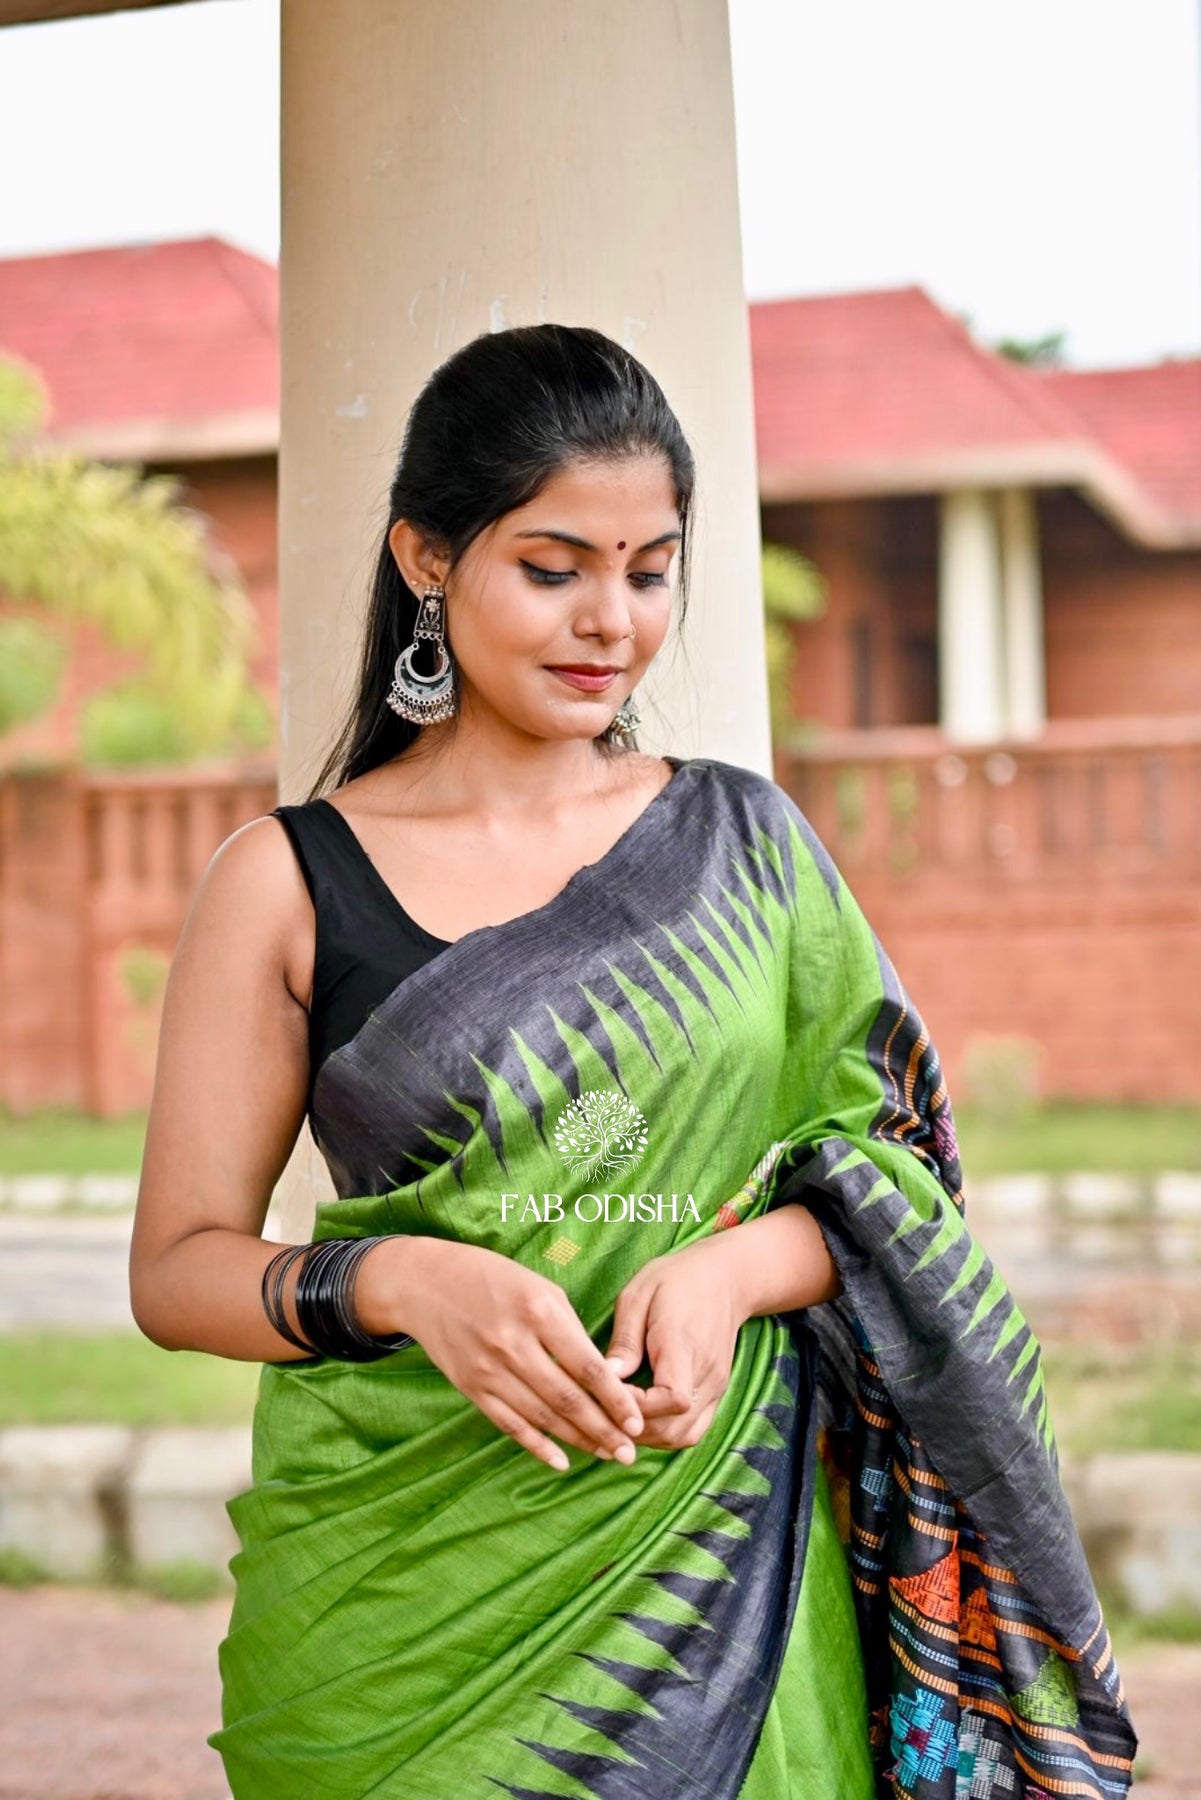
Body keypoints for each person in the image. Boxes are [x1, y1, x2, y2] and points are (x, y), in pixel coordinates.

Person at [130, 323, 1135, 1799]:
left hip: (720, 1574)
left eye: (650, 571)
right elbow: (175, 1271)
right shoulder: (286, 881)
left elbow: (901, 1169)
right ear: (427, 558)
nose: (611, 621)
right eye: (553, 569)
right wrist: (401, 1282)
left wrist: (731, 1275)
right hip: (398, 1614)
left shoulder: (744, 849)